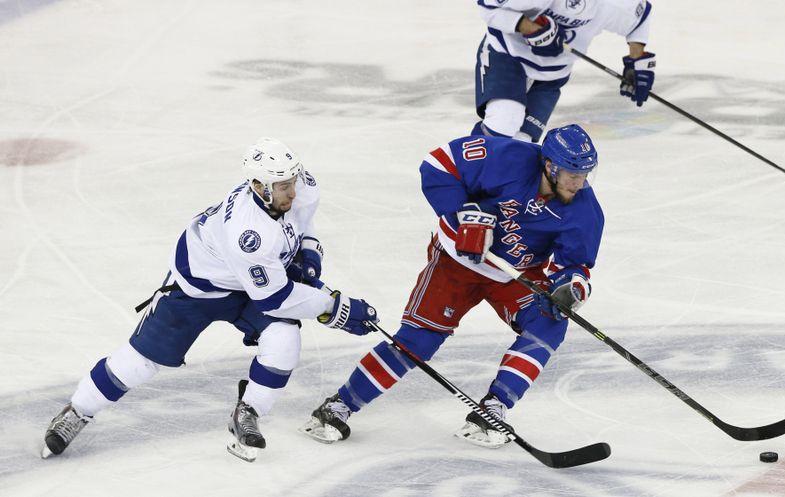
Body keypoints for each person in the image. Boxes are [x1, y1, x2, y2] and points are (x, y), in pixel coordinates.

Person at [41, 137, 379, 462]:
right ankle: (78, 411)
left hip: (247, 283)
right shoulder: (249, 235)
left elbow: (304, 224)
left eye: (292, 181)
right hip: (196, 289)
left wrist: (309, 257)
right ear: (259, 187)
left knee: (284, 340)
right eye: (282, 186)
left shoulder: (295, 187)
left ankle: (247, 412)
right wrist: (335, 308)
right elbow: (276, 298)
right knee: (138, 364)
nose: (292, 190)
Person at [300, 124, 603, 448]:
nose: (580, 183)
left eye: (585, 174)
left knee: (550, 323)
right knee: (418, 340)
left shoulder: (584, 209)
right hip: (455, 263)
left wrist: (570, 287)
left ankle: (493, 408)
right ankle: (338, 406)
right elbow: (439, 164)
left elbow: (574, 264)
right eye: (573, 174)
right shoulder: (507, 158)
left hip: (512, 274)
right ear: (549, 165)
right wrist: (464, 217)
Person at [473, 0, 656, 142]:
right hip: (508, 55)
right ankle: (465, 180)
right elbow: (488, 6)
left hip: (553, 75)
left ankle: (508, 190)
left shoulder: (613, 4)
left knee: (523, 142)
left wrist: (636, 59)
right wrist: (531, 28)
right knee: (502, 122)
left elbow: (638, 19)